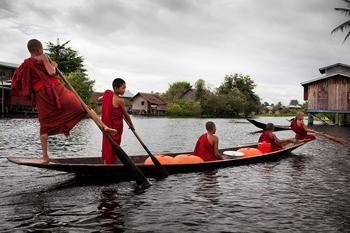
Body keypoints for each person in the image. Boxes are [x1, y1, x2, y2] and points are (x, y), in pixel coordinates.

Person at [11, 39, 115, 163]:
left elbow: (17, 79)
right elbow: (52, 72)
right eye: (42, 49)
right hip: (56, 90)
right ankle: (105, 126)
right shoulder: (43, 57)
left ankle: (45, 157)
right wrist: (53, 65)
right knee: (83, 107)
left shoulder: (26, 63)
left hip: (41, 95)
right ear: (39, 50)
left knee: (44, 126)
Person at [101, 78, 135, 164]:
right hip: (115, 128)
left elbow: (99, 99)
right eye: (123, 88)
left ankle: (107, 162)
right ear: (116, 88)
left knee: (108, 145)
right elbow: (126, 115)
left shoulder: (107, 94)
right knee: (114, 147)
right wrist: (131, 125)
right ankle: (110, 163)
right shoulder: (120, 100)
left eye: (125, 87)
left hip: (106, 126)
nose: (124, 90)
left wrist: (104, 97)